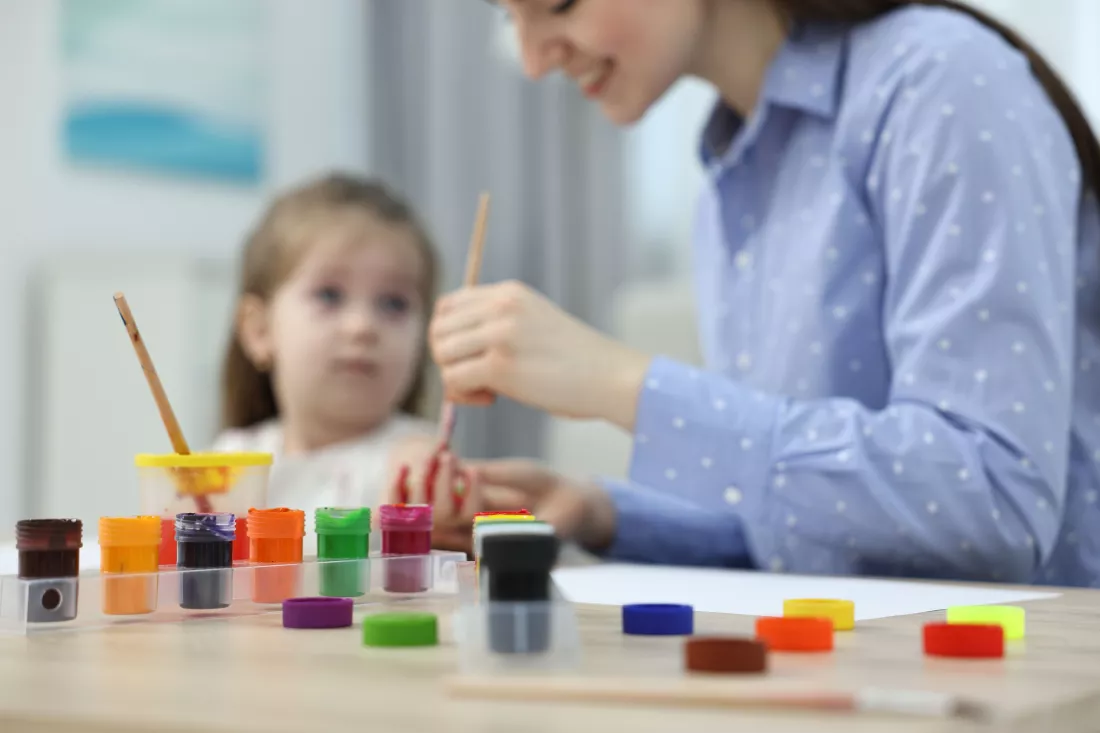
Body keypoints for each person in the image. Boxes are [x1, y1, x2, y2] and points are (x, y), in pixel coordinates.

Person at [426, 0, 1100, 586]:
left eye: (558, 3)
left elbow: (991, 502)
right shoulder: (732, 171)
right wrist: (598, 510)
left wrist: (626, 385)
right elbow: (822, 528)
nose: (534, 59)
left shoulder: (942, 82)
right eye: (509, 15)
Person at [213, 173, 448, 549]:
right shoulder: (228, 462)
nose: (362, 327)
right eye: (329, 295)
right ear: (259, 330)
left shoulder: (419, 466)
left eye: (393, 303)